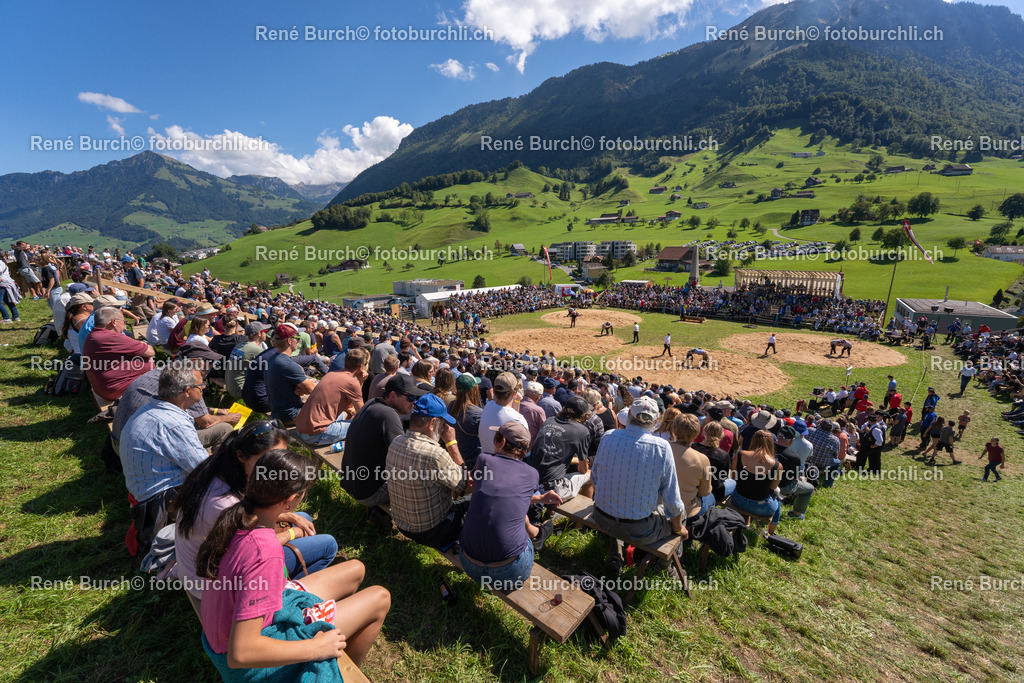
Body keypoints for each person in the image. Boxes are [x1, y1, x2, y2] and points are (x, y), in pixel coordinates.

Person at [196, 449, 390, 675]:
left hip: (228, 633)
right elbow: (240, 653)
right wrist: (316, 648)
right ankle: (348, 673)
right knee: (381, 598)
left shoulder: (238, 516)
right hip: (249, 661)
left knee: (356, 569)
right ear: (288, 501)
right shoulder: (265, 551)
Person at [175, 421, 338, 600]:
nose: (274, 467)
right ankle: (285, 595)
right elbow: (252, 550)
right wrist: (293, 533)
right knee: (328, 545)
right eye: (266, 460)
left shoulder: (221, 471)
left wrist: (290, 516)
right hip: (216, 586)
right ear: (241, 456)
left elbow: (249, 520)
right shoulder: (224, 503)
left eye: (279, 457)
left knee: (303, 517)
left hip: (213, 564)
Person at [119, 360, 210, 554]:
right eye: (201, 385)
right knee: (224, 486)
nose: (203, 389)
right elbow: (205, 470)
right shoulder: (173, 424)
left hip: (143, 493)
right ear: (187, 391)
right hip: (159, 502)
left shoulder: (151, 409)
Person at [459, 421, 562, 591]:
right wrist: (540, 498)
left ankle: (537, 534)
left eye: (496, 437)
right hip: (508, 572)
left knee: (509, 511)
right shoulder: (531, 474)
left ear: (502, 442)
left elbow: (503, 495)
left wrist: (539, 498)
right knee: (515, 516)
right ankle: (538, 535)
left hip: (469, 564)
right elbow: (512, 498)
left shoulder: (484, 460)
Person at [591, 397, 687, 574]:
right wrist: (678, 529)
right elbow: (672, 502)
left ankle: (615, 552)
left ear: (628, 415)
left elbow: (595, 478)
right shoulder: (662, 447)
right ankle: (666, 567)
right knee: (681, 513)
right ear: (656, 421)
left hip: (601, 516)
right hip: (639, 529)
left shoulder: (608, 436)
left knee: (619, 501)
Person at [386, 394, 470, 549]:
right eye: (443, 423)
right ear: (432, 423)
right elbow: (465, 484)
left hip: (402, 523)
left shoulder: (396, 442)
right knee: (474, 501)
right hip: (431, 532)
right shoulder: (435, 454)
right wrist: (451, 443)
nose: (446, 428)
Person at [341, 374, 426, 509]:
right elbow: (404, 458)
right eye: (410, 397)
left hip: (349, 482)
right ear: (393, 395)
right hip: (368, 493)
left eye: (415, 398)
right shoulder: (388, 415)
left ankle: (377, 517)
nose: (413, 402)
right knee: (424, 482)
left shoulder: (372, 402)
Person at [295, 347, 368, 447]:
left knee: (348, 414)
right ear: (360, 367)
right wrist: (360, 382)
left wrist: (359, 381)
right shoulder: (352, 382)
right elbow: (361, 413)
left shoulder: (331, 374)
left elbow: (350, 405)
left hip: (301, 428)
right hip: (315, 435)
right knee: (362, 426)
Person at [526, 396, 592, 503]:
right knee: (590, 475)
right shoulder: (582, 431)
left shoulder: (549, 421)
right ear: (583, 415)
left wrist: (572, 460)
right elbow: (582, 470)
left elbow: (548, 453)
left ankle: (549, 512)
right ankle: (581, 515)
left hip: (530, 480)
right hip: (552, 490)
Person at [81, 307, 156, 401]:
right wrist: (143, 345)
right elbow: (150, 352)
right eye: (124, 322)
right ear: (114, 322)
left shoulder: (94, 334)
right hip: (117, 390)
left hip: (105, 388)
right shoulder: (111, 337)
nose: (124, 325)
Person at [729, 430, 782, 534]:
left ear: (753, 441)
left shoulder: (740, 454)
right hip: (761, 507)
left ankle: (746, 521)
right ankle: (771, 532)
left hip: (738, 499)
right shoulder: (777, 465)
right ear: (771, 444)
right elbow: (773, 487)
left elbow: (733, 475)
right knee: (778, 500)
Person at [265, 323, 318, 426]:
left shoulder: (273, 358)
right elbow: (311, 390)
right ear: (289, 341)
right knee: (337, 410)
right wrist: (310, 385)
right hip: (290, 415)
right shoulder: (287, 364)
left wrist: (299, 388)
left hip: (278, 411)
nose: (299, 341)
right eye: (297, 338)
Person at [668, 413, 715, 520]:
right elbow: (705, 491)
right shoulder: (702, 459)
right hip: (687, 510)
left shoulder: (660, 449)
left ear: (674, 431)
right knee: (710, 497)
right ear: (697, 432)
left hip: (660, 506)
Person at [478, 372, 529, 453]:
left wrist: (516, 402)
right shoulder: (518, 419)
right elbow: (523, 449)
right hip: (503, 463)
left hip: (484, 459)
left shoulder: (488, 406)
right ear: (514, 393)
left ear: (494, 391)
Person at [225, 322, 269, 399]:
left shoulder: (240, 345)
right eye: (265, 332)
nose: (266, 334)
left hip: (230, 387)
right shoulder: (256, 349)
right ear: (259, 334)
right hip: (241, 390)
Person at [448, 373, 484, 467]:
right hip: (471, 461)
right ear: (473, 390)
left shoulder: (450, 407)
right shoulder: (478, 413)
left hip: (453, 458)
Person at [0, 257, 23, 323]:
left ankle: (6, 318)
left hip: (2, 284)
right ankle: (16, 316)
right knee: (8, 301)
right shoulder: (2, 262)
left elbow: (0, 278)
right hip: (7, 283)